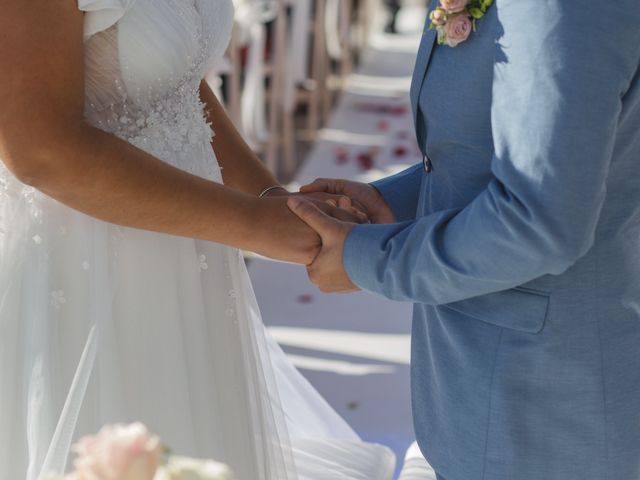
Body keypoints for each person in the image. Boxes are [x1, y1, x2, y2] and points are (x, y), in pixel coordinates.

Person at [0, 1, 395, 479]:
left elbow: (178, 84)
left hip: (187, 261)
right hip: (84, 265)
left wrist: (276, 201)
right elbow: (40, 149)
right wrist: (252, 222)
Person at [290, 1, 640, 479]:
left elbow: (539, 218)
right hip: (486, 386)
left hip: (545, 404)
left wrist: (370, 259)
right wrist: (393, 203)